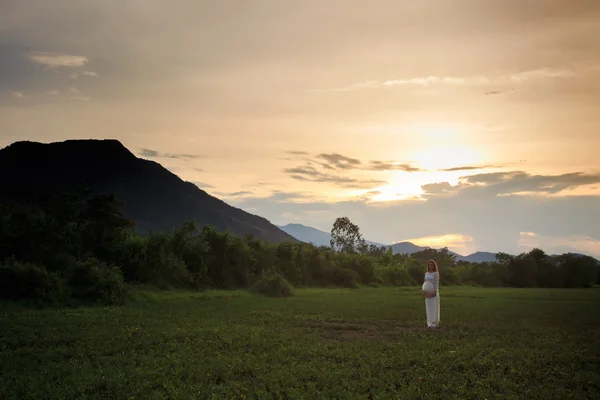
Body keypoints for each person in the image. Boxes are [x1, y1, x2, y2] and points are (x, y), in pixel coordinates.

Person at [423, 259, 440, 329]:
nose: (430, 266)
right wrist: (423, 290)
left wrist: (434, 292)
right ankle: (429, 323)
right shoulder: (426, 273)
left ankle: (434, 324)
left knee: (434, 307)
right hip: (427, 292)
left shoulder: (436, 273)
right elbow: (425, 282)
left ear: (434, 266)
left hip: (433, 292)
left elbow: (436, 283)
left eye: (432, 265)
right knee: (428, 308)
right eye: (429, 265)